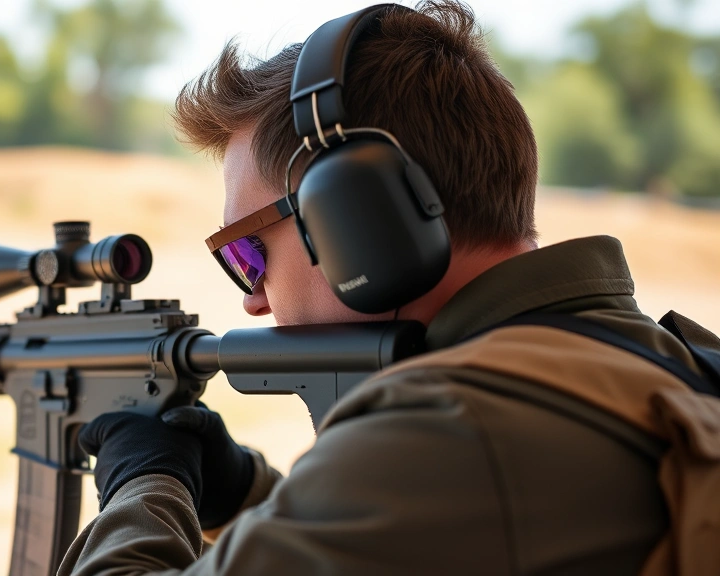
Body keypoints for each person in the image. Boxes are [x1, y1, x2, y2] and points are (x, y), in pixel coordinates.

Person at [57, 2, 720, 575]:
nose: (251, 298)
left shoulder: (454, 426)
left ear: (358, 217)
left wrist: (142, 483)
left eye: (247, 250)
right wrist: (243, 494)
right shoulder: (672, 363)